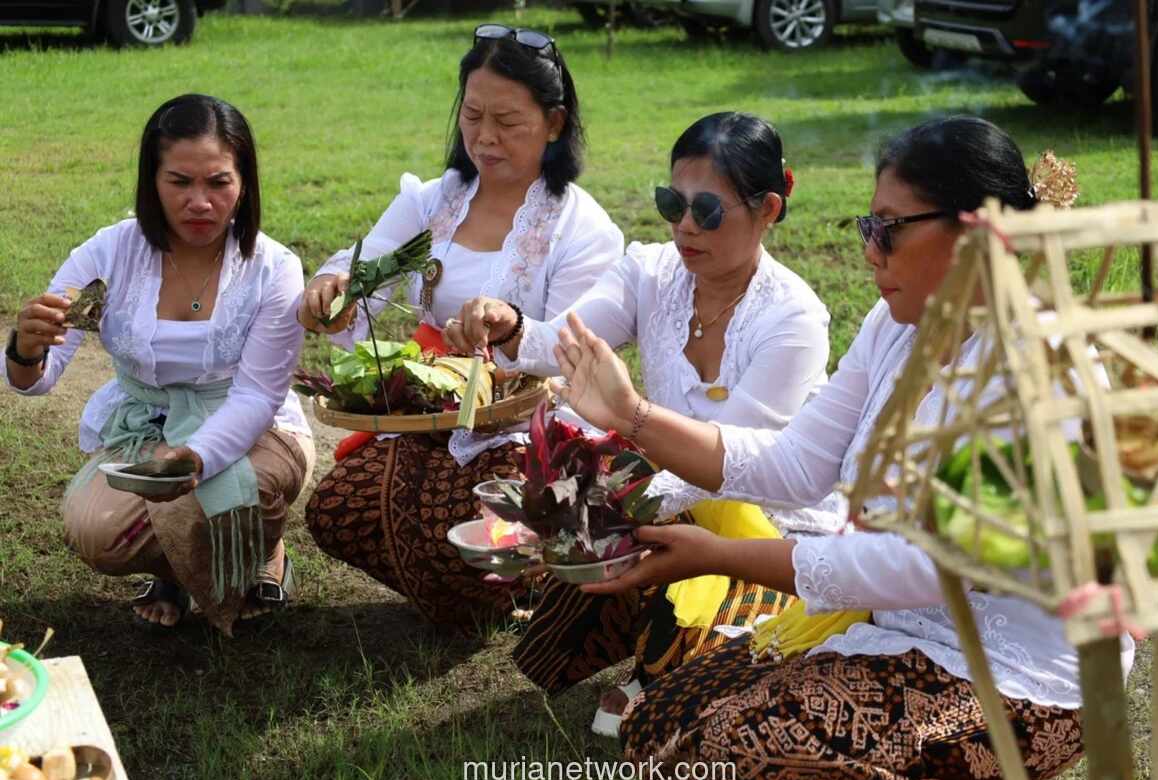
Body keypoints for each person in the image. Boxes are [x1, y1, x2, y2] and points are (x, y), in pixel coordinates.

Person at [549, 116, 1129, 780]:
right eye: (867, 226)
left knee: (731, 753)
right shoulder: (898, 326)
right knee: (661, 728)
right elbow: (798, 463)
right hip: (897, 625)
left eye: (891, 229)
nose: (872, 252)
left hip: (1018, 675)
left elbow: (926, 566)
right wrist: (632, 416)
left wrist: (721, 555)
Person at [446, 111, 835, 736]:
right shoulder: (650, 272)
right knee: (601, 538)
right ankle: (659, 651)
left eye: (707, 210)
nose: (684, 225)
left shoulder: (794, 320)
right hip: (664, 491)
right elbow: (565, 341)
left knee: (689, 679)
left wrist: (586, 511)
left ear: (767, 209)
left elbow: (726, 469)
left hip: (767, 519)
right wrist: (511, 325)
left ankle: (682, 660)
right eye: (671, 203)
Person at [298, 25, 623, 627]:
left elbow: (570, 350)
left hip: (527, 426)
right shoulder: (433, 201)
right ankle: (481, 591)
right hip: (430, 413)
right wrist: (333, 288)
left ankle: (513, 583)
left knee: (479, 531)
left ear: (554, 123)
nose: (484, 136)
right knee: (336, 511)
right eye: (472, 116)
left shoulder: (583, 230)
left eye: (508, 121)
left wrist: (510, 330)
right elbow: (364, 268)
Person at [5, 94, 313, 636]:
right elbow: (38, 379)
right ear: (152, 181)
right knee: (96, 530)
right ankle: (175, 570)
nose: (200, 202)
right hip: (146, 426)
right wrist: (24, 348)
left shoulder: (274, 268)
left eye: (218, 182)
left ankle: (266, 552)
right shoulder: (107, 254)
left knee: (214, 496)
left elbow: (258, 396)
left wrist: (196, 456)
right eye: (179, 182)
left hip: (257, 429)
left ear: (244, 184)